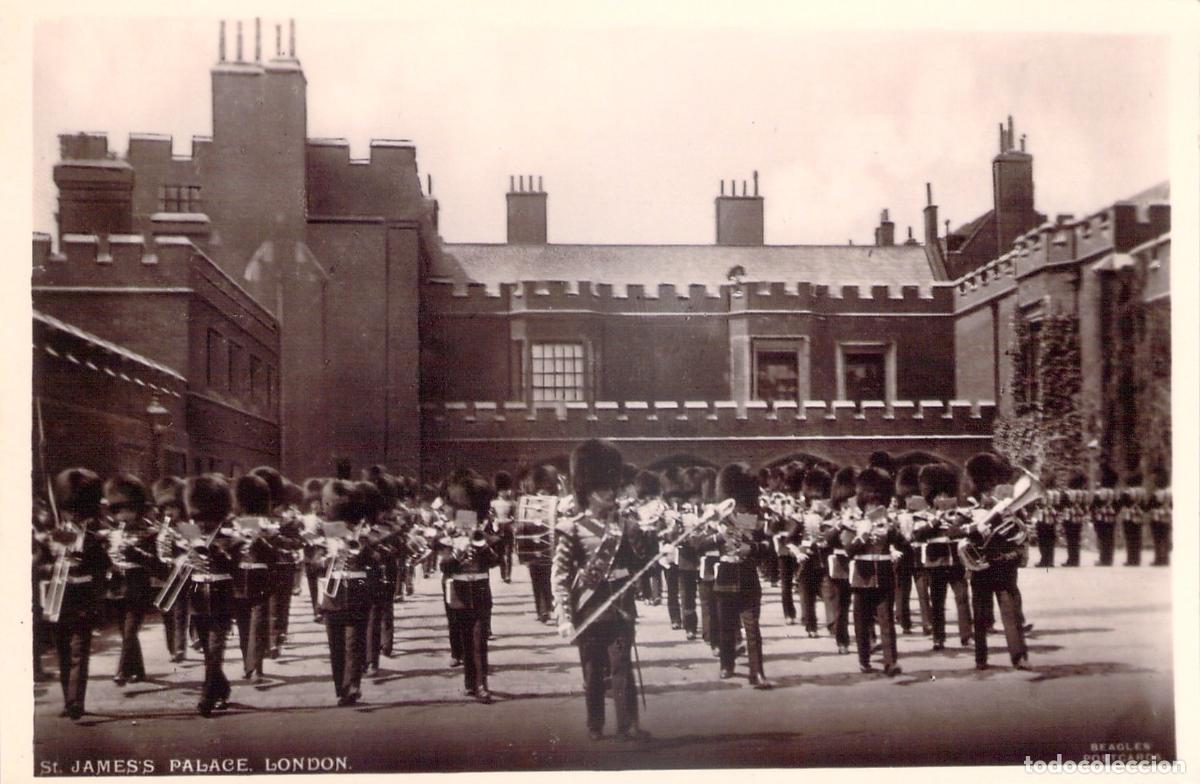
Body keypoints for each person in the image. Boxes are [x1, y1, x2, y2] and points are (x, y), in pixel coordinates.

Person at [553, 439, 655, 742]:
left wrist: (646, 536)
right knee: (593, 673)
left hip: (620, 606)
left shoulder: (624, 525)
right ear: (588, 491)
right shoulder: (572, 528)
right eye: (605, 488)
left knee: (622, 668)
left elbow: (641, 560)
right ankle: (595, 723)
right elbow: (560, 575)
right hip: (589, 609)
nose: (612, 493)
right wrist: (564, 616)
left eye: (613, 487)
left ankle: (628, 724)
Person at [41, 468, 110, 720]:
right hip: (57, 597)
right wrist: (52, 560)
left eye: (76, 512)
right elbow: (39, 566)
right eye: (70, 511)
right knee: (63, 652)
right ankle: (68, 700)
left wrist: (81, 558)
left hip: (82, 597)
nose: (72, 516)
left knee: (79, 651)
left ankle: (75, 702)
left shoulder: (93, 537)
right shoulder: (54, 535)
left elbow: (102, 568)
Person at [178, 474, 243, 716]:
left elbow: (235, 568)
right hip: (197, 597)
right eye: (198, 518)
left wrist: (217, 552)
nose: (203, 524)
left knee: (215, 650)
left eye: (208, 518)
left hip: (221, 597)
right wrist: (181, 555)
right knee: (208, 651)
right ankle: (222, 689)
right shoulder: (188, 536)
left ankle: (206, 697)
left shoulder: (231, 539)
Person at [703, 463, 773, 687]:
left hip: (748, 576)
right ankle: (726, 664)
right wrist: (718, 537)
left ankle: (757, 672)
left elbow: (768, 548)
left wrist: (751, 549)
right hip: (725, 575)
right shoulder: (717, 520)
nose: (740, 507)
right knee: (726, 627)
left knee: (752, 627)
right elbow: (697, 546)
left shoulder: (754, 519)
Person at [962, 454, 1030, 671]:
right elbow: (955, 531)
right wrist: (975, 528)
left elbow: (1022, 533)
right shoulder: (971, 511)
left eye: (992, 491)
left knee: (1011, 614)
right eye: (987, 492)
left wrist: (1018, 540)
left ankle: (1019, 657)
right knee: (981, 616)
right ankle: (980, 658)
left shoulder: (1012, 509)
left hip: (1004, 566)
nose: (990, 495)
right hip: (981, 567)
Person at [440, 471, 502, 703]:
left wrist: (482, 547)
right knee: (467, 640)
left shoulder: (486, 537)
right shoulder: (448, 537)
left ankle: (481, 684)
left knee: (479, 640)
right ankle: (470, 682)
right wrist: (457, 552)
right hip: (459, 593)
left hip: (481, 592)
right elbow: (445, 566)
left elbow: (496, 562)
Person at [844, 467, 905, 676]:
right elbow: (848, 550)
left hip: (885, 575)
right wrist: (862, 535)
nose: (875, 506)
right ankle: (864, 660)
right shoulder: (853, 523)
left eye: (878, 503)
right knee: (861, 623)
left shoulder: (889, 522)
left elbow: (905, 544)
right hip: (862, 577)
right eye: (871, 503)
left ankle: (891, 662)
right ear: (864, 503)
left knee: (887, 621)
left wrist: (893, 532)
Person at [318, 479, 374, 706]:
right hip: (334, 592)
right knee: (336, 645)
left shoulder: (365, 533)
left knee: (354, 642)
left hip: (357, 591)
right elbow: (312, 563)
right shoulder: (328, 532)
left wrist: (361, 549)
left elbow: (376, 559)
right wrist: (326, 557)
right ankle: (342, 688)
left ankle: (353, 686)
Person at [103, 474, 159, 686]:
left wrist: (134, 552)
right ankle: (139, 670)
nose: (123, 515)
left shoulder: (149, 533)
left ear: (137, 510)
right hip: (118, 584)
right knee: (124, 631)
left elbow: (155, 562)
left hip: (138, 583)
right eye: (118, 511)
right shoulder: (112, 534)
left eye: (127, 510)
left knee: (129, 630)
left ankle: (122, 671)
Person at [913, 463, 972, 650]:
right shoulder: (923, 514)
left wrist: (955, 520)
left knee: (963, 598)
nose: (942, 498)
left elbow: (965, 533)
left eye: (945, 494)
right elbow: (918, 535)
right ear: (932, 496)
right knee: (937, 602)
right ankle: (938, 638)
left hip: (956, 561)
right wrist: (937, 520)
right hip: (935, 562)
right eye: (939, 495)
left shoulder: (959, 514)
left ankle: (966, 636)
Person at [153, 477, 191, 662]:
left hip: (182, 573)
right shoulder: (161, 527)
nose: (169, 512)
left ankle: (180, 648)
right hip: (163, 573)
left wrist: (181, 546)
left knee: (181, 611)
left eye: (173, 508)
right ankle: (172, 647)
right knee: (166, 612)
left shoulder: (189, 526)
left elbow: (197, 548)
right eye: (166, 508)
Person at [516, 465, 560, 624]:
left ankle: (549, 607)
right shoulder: (527, 503)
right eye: (540, 490)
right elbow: (521, 525)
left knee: (548, 579)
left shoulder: (556, 503)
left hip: (550, 548)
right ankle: (542, 611)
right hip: (532, 547)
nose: (542, 493)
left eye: (545, 490)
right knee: (536, 580)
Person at [490, 471, 517, 584]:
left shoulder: (512, 503)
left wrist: (511, 521)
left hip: (508, 528)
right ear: (499, 491)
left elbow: (515, 517)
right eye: (502, 490)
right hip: (498, 528)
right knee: (501, 553)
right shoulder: (493, 503)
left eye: (505, 490)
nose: (504, 492)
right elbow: (491, 516)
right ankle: (503, 573)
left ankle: (508, 575)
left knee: (508, 553)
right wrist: (494, 521)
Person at [1149, 488, 1171, 566]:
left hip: (1157, 517)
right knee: (1165, 539)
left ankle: (1158, 559)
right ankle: (1166, 559)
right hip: (1167, 517)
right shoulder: (1170, 493)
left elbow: (1150, 506)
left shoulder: (1156, 494)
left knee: (1157, 540)